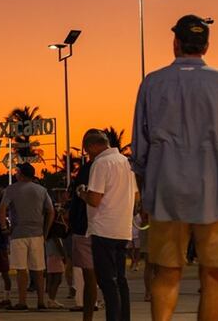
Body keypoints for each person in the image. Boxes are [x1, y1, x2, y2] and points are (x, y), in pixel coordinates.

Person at [132, 14, 218, 321]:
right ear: (206, 46)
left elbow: (140, 151)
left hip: (166, 195)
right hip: (213, 195)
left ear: (175, 43)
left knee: (167, 274)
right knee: (213, 277)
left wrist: (146, 197)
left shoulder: (152, 83)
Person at [78, 129, 138, 321]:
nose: (89, 155)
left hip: (104, 229)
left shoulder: (101, 163)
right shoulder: (126, 163)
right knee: (120, 280)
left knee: (106, 281)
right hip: (123, 229)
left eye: (88, 151)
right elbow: (136, 197)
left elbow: (95, 199)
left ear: (93, 146)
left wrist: (82, 192)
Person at [0, 162, 54, 311]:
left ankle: (22, 301)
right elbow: (51, 211)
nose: (15, 174)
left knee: (21, 269)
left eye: (17, 172)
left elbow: (2, 209)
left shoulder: (11, 189)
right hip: (37, 233)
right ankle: (41, 301)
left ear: (21, 174)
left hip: (18, 233)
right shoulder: (41, 190)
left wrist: (5, 228)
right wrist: (46, 230)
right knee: (38, 269)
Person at [68, 156, 99, 318]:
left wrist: (80, 193)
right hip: (110, 229)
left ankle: (86, 308)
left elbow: (92, 199)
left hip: (85, 228)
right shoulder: (122, 166)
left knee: (86, 273)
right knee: (109, 275)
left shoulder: (91, 168)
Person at [45, 210, 68, 309]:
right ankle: (52, 299)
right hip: (56, 256)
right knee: (57, 279)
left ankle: (51, 299)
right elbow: (58, 243)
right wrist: (64, 255)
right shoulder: (55, 230)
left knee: (52, 278)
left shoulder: (47, 230)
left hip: (50, 256)